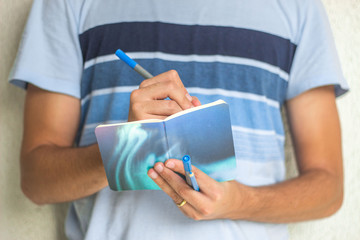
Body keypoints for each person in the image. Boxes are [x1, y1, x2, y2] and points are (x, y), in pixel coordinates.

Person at [9, 0, 348, 239]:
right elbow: (37, 181)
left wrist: (238, 202)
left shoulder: (299, 6)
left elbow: (328, 189)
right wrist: (126, 145)